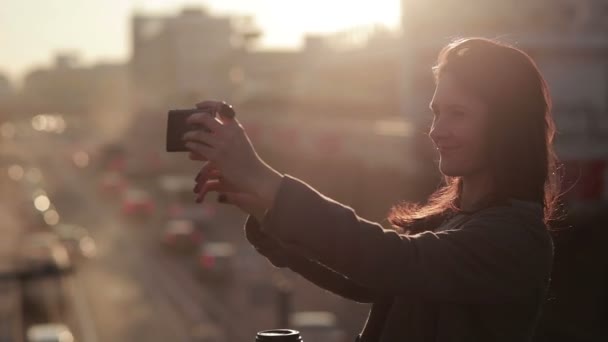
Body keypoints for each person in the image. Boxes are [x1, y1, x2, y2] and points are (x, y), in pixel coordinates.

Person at [182, 37, 558, 342]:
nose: (436, 130)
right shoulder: (455, 222)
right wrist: (262, 203)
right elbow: (372, 280)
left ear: (506, 126)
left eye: (457, 113)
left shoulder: (515, 237)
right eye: (436, 112)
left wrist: (264, 180)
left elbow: (393, 261)